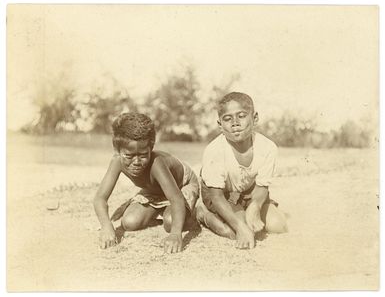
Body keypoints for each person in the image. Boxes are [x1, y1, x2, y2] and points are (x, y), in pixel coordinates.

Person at [93, 112, 199, 253]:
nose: (136, 162)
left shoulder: (157, 163)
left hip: (181, 185)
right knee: (129, 222)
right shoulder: (117, 162)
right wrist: (106, 226)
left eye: (143, 155)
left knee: (171, 222)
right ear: (117, 150)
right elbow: (100, 198)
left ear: (151, 147)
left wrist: (175, 234)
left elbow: (176, 198)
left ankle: (197, 211)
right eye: (129, 156)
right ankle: (161, 209)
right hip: (154, 191)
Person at [196, 92, 288, 249]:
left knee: (278, 226)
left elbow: (262, 187)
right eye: (227, 118)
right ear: (220, 125)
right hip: (221, 195)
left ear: (255, 118)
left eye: (241, 116)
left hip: (249, 193)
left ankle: (244, 212)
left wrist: (255, 207)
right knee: (240, 231)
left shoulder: (267, 147)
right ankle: (204, 213)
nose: (235, 123)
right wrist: (240, 226)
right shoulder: (214, 151)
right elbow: (217, 197)